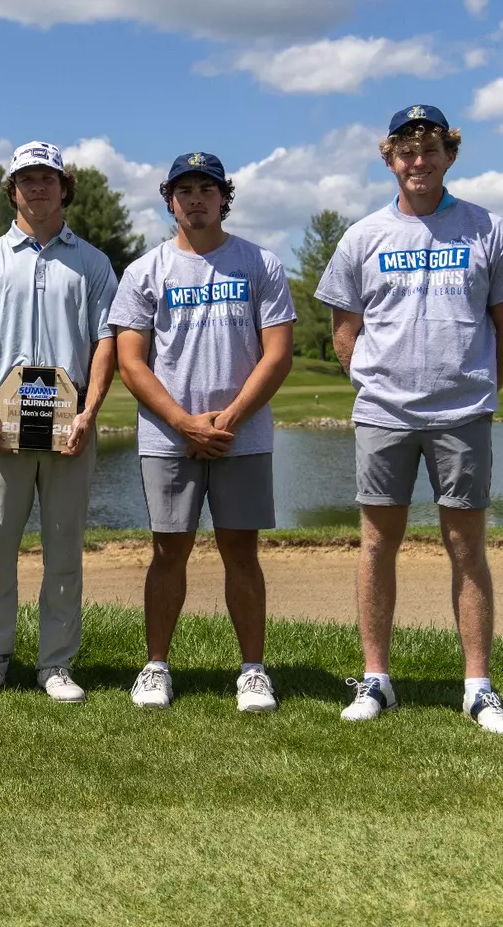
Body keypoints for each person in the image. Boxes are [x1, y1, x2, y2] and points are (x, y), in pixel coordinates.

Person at [316, 105, 503, 735]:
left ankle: (477, 687)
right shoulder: (363, 237)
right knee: (375, 544)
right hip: (383, 415)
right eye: (407, 151)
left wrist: (475, 390)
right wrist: (377, 387)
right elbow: (344, 333)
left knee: (466, 546)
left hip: (462, 414)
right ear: (389, 158)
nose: (419, 161)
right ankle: (376, 679)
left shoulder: (488, 229)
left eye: (432, 149)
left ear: (450, 155)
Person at [110, 152, 295, 714]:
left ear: (223, 198)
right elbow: (131, 362)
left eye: (206, 189)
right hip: (170, 438)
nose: (195, 199)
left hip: (242, 435)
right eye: (184, 190)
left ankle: (253, 671)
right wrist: (183, 421)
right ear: (170, 199)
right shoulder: (146, 271)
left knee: (242, 552)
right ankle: (156, 667)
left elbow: (278, 353)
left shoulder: (260, 264)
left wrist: (229, 418)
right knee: (169, 551)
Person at [0, 142, 118, 705]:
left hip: (71, 421)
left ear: (64, 186)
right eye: (26, 179)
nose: (37, 188)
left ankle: (55, 665)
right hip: (4, 420)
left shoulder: (93, 263)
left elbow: (106, 345)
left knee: (64, 548)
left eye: (47, 178)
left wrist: (91, 413)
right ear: (13, 190)